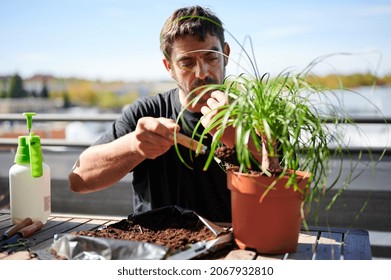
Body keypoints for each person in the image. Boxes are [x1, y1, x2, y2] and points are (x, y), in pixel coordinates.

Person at [68, 5, 233, 222]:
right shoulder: (146, 113)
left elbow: (288, 189)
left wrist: (241, 140)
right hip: (154, 244)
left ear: (226, 54)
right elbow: (78, 180)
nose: (202, 73)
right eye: (187, 62)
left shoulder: (256, 115)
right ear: (169, 67)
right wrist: (134, 146)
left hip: (234, 245)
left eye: (211, 58)